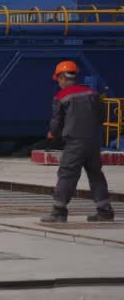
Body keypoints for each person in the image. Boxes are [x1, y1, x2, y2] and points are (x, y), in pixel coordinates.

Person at [42, 60, 114, 223]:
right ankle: (105, 211)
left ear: (62, 77)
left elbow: (56, 122)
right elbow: (102, 117)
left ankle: (59, 212)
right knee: (96, 174)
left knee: (67, 174)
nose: (58, 83)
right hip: (94, 141)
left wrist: (53, 133)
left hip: (75, 141)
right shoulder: (93, 93)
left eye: (58, 79)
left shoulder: (61, 96)